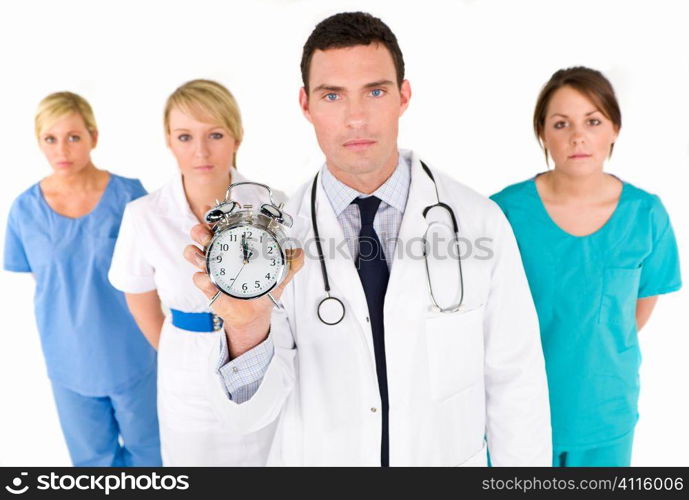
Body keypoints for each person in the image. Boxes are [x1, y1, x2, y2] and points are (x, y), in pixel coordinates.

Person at [184, 12, 551, 466]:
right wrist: (245, 328)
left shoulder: (478, 222)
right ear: (306, 105)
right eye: (333, 95)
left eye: (375, 91)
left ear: (404, 96)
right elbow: (249, 416)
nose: (355, 118)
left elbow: (517, 383)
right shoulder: (270, 244)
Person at [490, 67, 682, 467]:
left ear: (614, 128)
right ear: (542, 133)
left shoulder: (645, 214)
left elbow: (636, 310)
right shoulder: (504, 213)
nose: (578, 136)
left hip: (605, 413)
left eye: (592, 121)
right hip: (518, 413)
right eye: (562, 124)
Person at [109, 79, 283, 466]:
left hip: (260, 353)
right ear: (169, 141)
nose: (200, 151)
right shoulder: (143, 216)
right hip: (184, 368)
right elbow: (139, 300)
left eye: (215, 134)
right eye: (185, 136)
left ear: (237, 137)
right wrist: (183, 349)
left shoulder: (272, 206)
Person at [3, 91, 160, 466]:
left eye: (74, 137)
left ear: (94, 136)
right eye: (50, 139)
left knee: (153, 456)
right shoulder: (25, 210)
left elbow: (155, 271)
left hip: (133, 354)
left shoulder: (129, 196)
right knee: (92, 464)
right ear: (38, 142)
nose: (63, 149)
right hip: (68, 360)